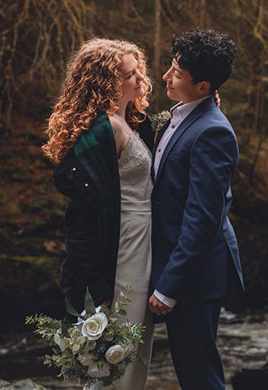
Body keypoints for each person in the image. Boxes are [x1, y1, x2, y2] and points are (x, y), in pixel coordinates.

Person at [42, 38, 155, 390]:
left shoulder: (130, 120)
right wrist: (98, 285)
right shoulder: (99, 130)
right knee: (119, 347)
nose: (141, 80)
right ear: (106, 82)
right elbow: (85, 215)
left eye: (139, 71)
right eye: (129, 74)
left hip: (143, 239)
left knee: (138, 346)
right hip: (122, 246)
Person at [148, 29, 245, 390]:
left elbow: (203, 219)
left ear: (203, 86)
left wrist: (169, 287)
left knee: (199, 376)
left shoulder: (213, 132)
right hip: (178, 264)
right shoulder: (185, 114)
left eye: (176, 73)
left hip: (196, 276)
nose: (165, 77)